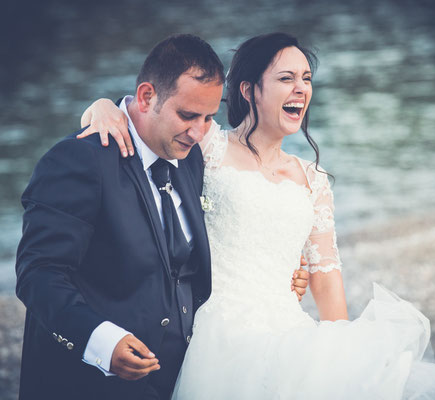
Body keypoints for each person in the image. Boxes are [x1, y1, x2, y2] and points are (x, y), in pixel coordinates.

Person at [81, 33, 435, 399]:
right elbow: (150, 121)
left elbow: (325, 275)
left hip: (287, 328)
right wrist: (102, 106)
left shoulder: (312, 178)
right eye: (287, 79)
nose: (301, 90)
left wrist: (345, 348)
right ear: (248, 90)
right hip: (218, 331)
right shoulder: (206, 146)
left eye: (307, 79)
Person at [16, 34, 309, 400]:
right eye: (187, 115)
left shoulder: (192, 160)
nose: (198, 131)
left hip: (183, 378)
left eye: (208, 118)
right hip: (90, 384)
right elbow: (38, 273)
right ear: (145, 96)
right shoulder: (80, 160)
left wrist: (285, 268)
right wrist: (100, 340)